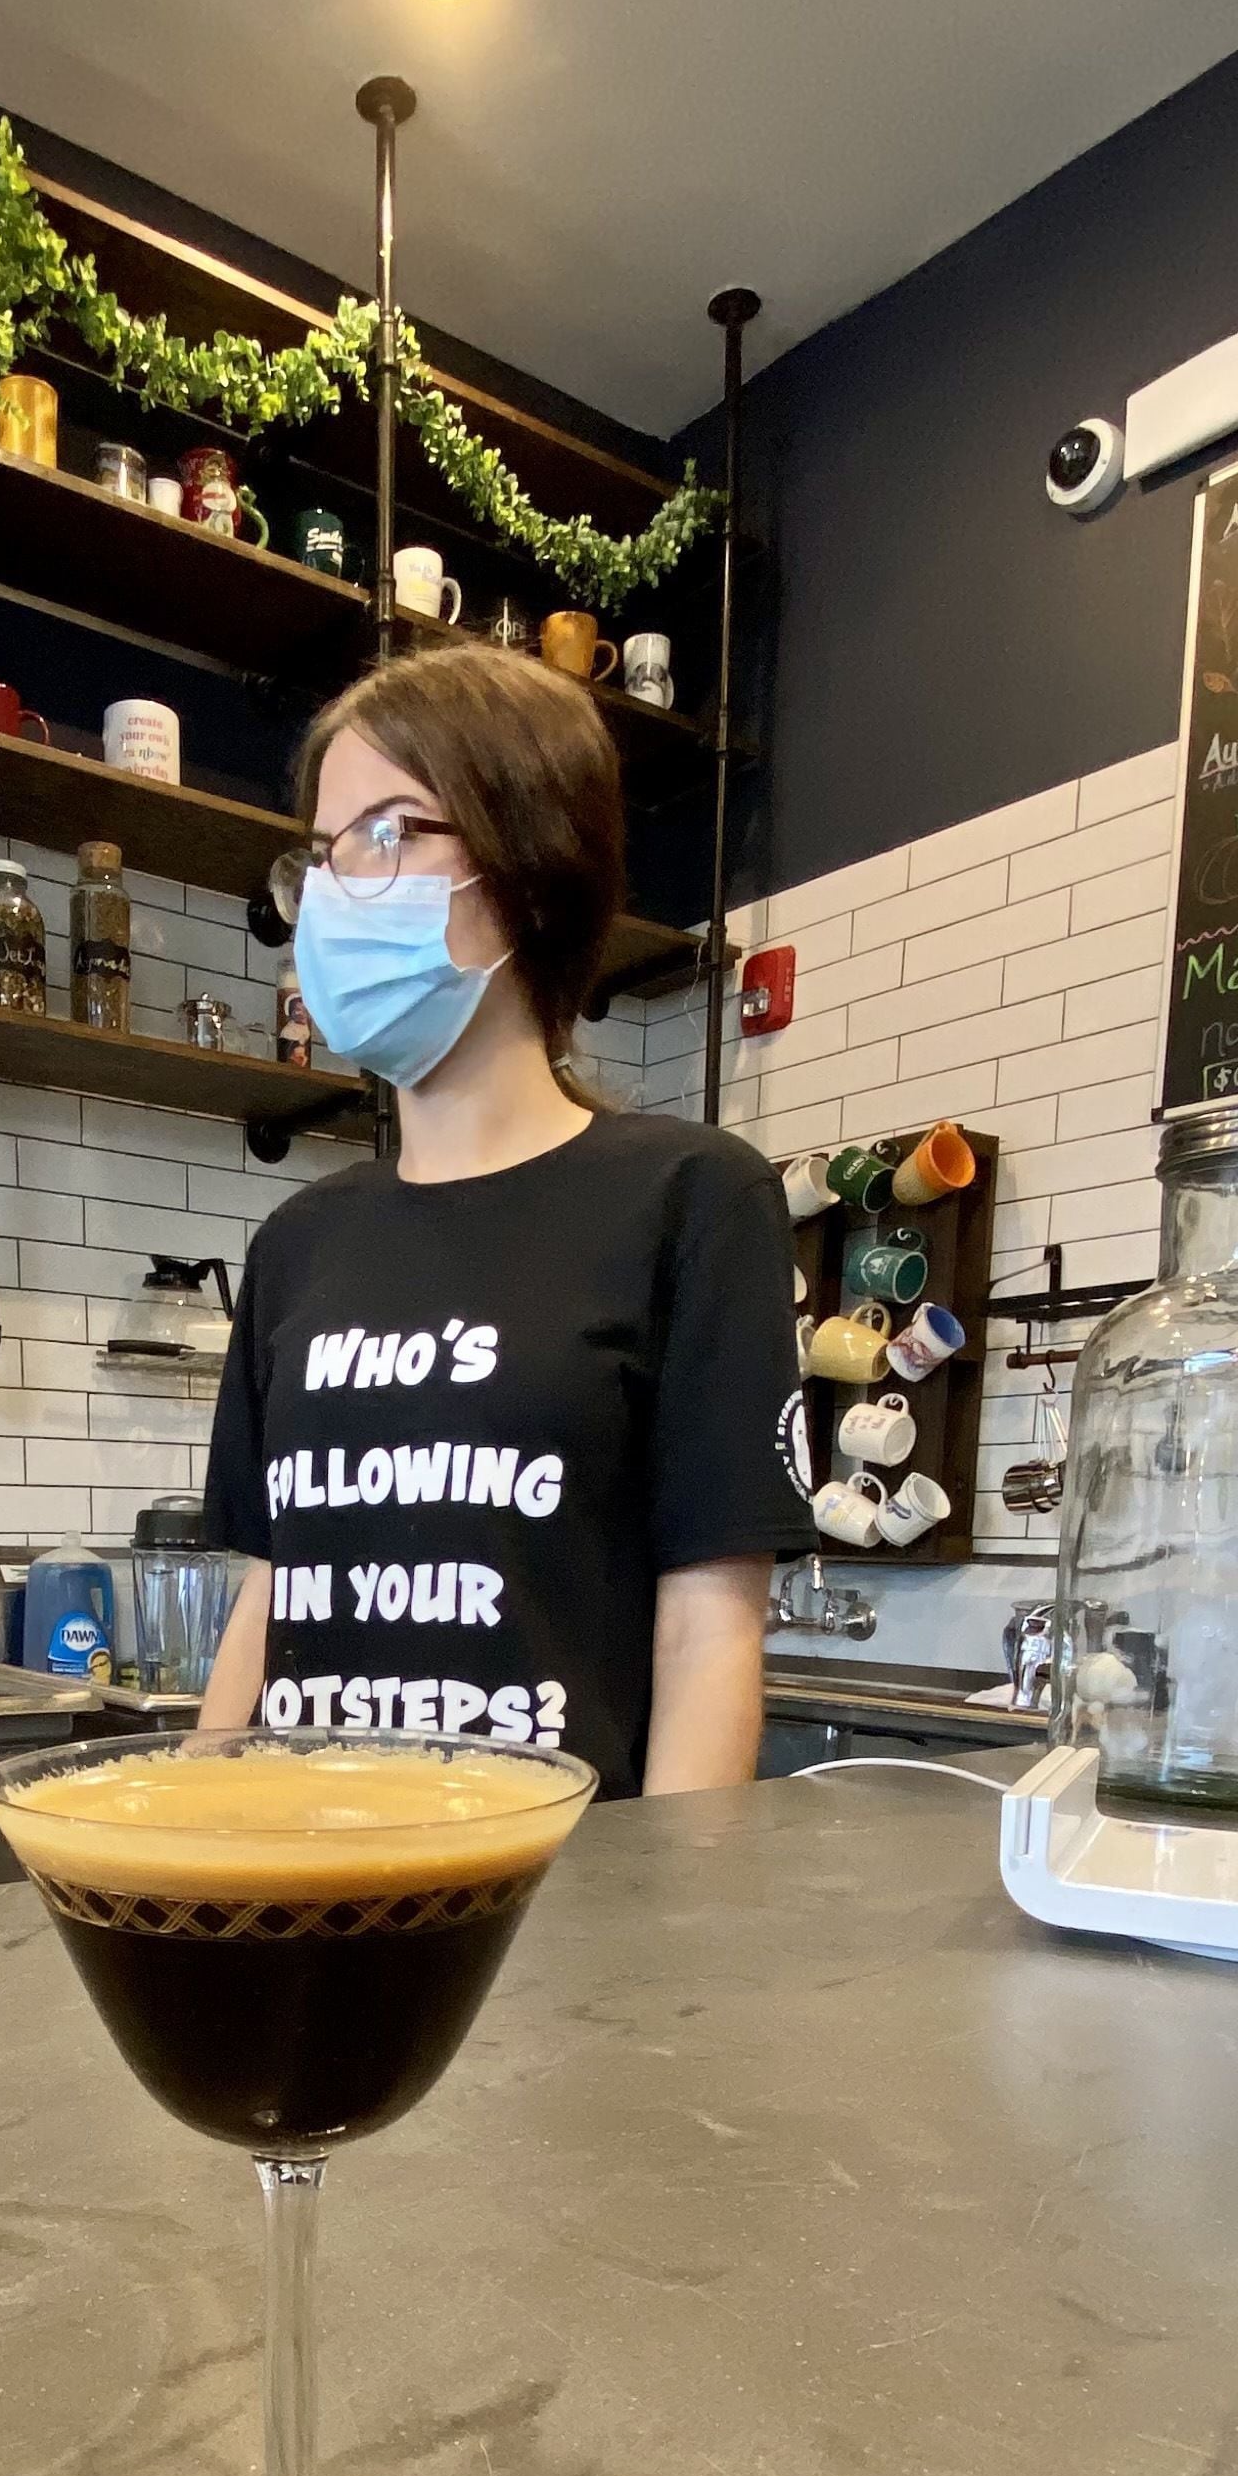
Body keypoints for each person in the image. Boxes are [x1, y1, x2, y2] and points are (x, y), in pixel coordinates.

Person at [197, 640, 811, 1795]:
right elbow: (270, 1595)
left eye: (385, 832)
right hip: (304, 1871)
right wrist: (187, 1839)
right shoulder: (297, 1243)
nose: (333, 890)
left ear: (529, 861)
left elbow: (710, 1633)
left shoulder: (693, 1199)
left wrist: (674, 1898)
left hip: (562, 1889)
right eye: (321, 855)